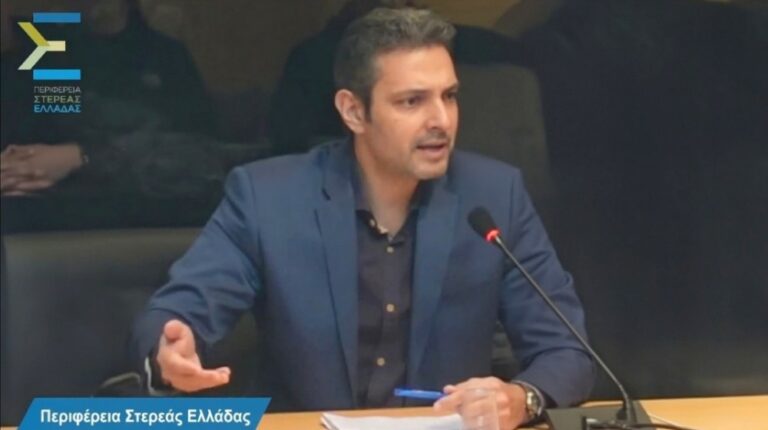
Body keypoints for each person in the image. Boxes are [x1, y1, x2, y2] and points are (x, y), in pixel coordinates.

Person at [131, 8, 594, 429]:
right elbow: (181, 310)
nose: (441, 120)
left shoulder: (494, 196)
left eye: (449, 96)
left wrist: (520, 398)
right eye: (411, 102)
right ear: (353, 111)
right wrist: (172, 350)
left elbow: (567, 350)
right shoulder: (269, 198)